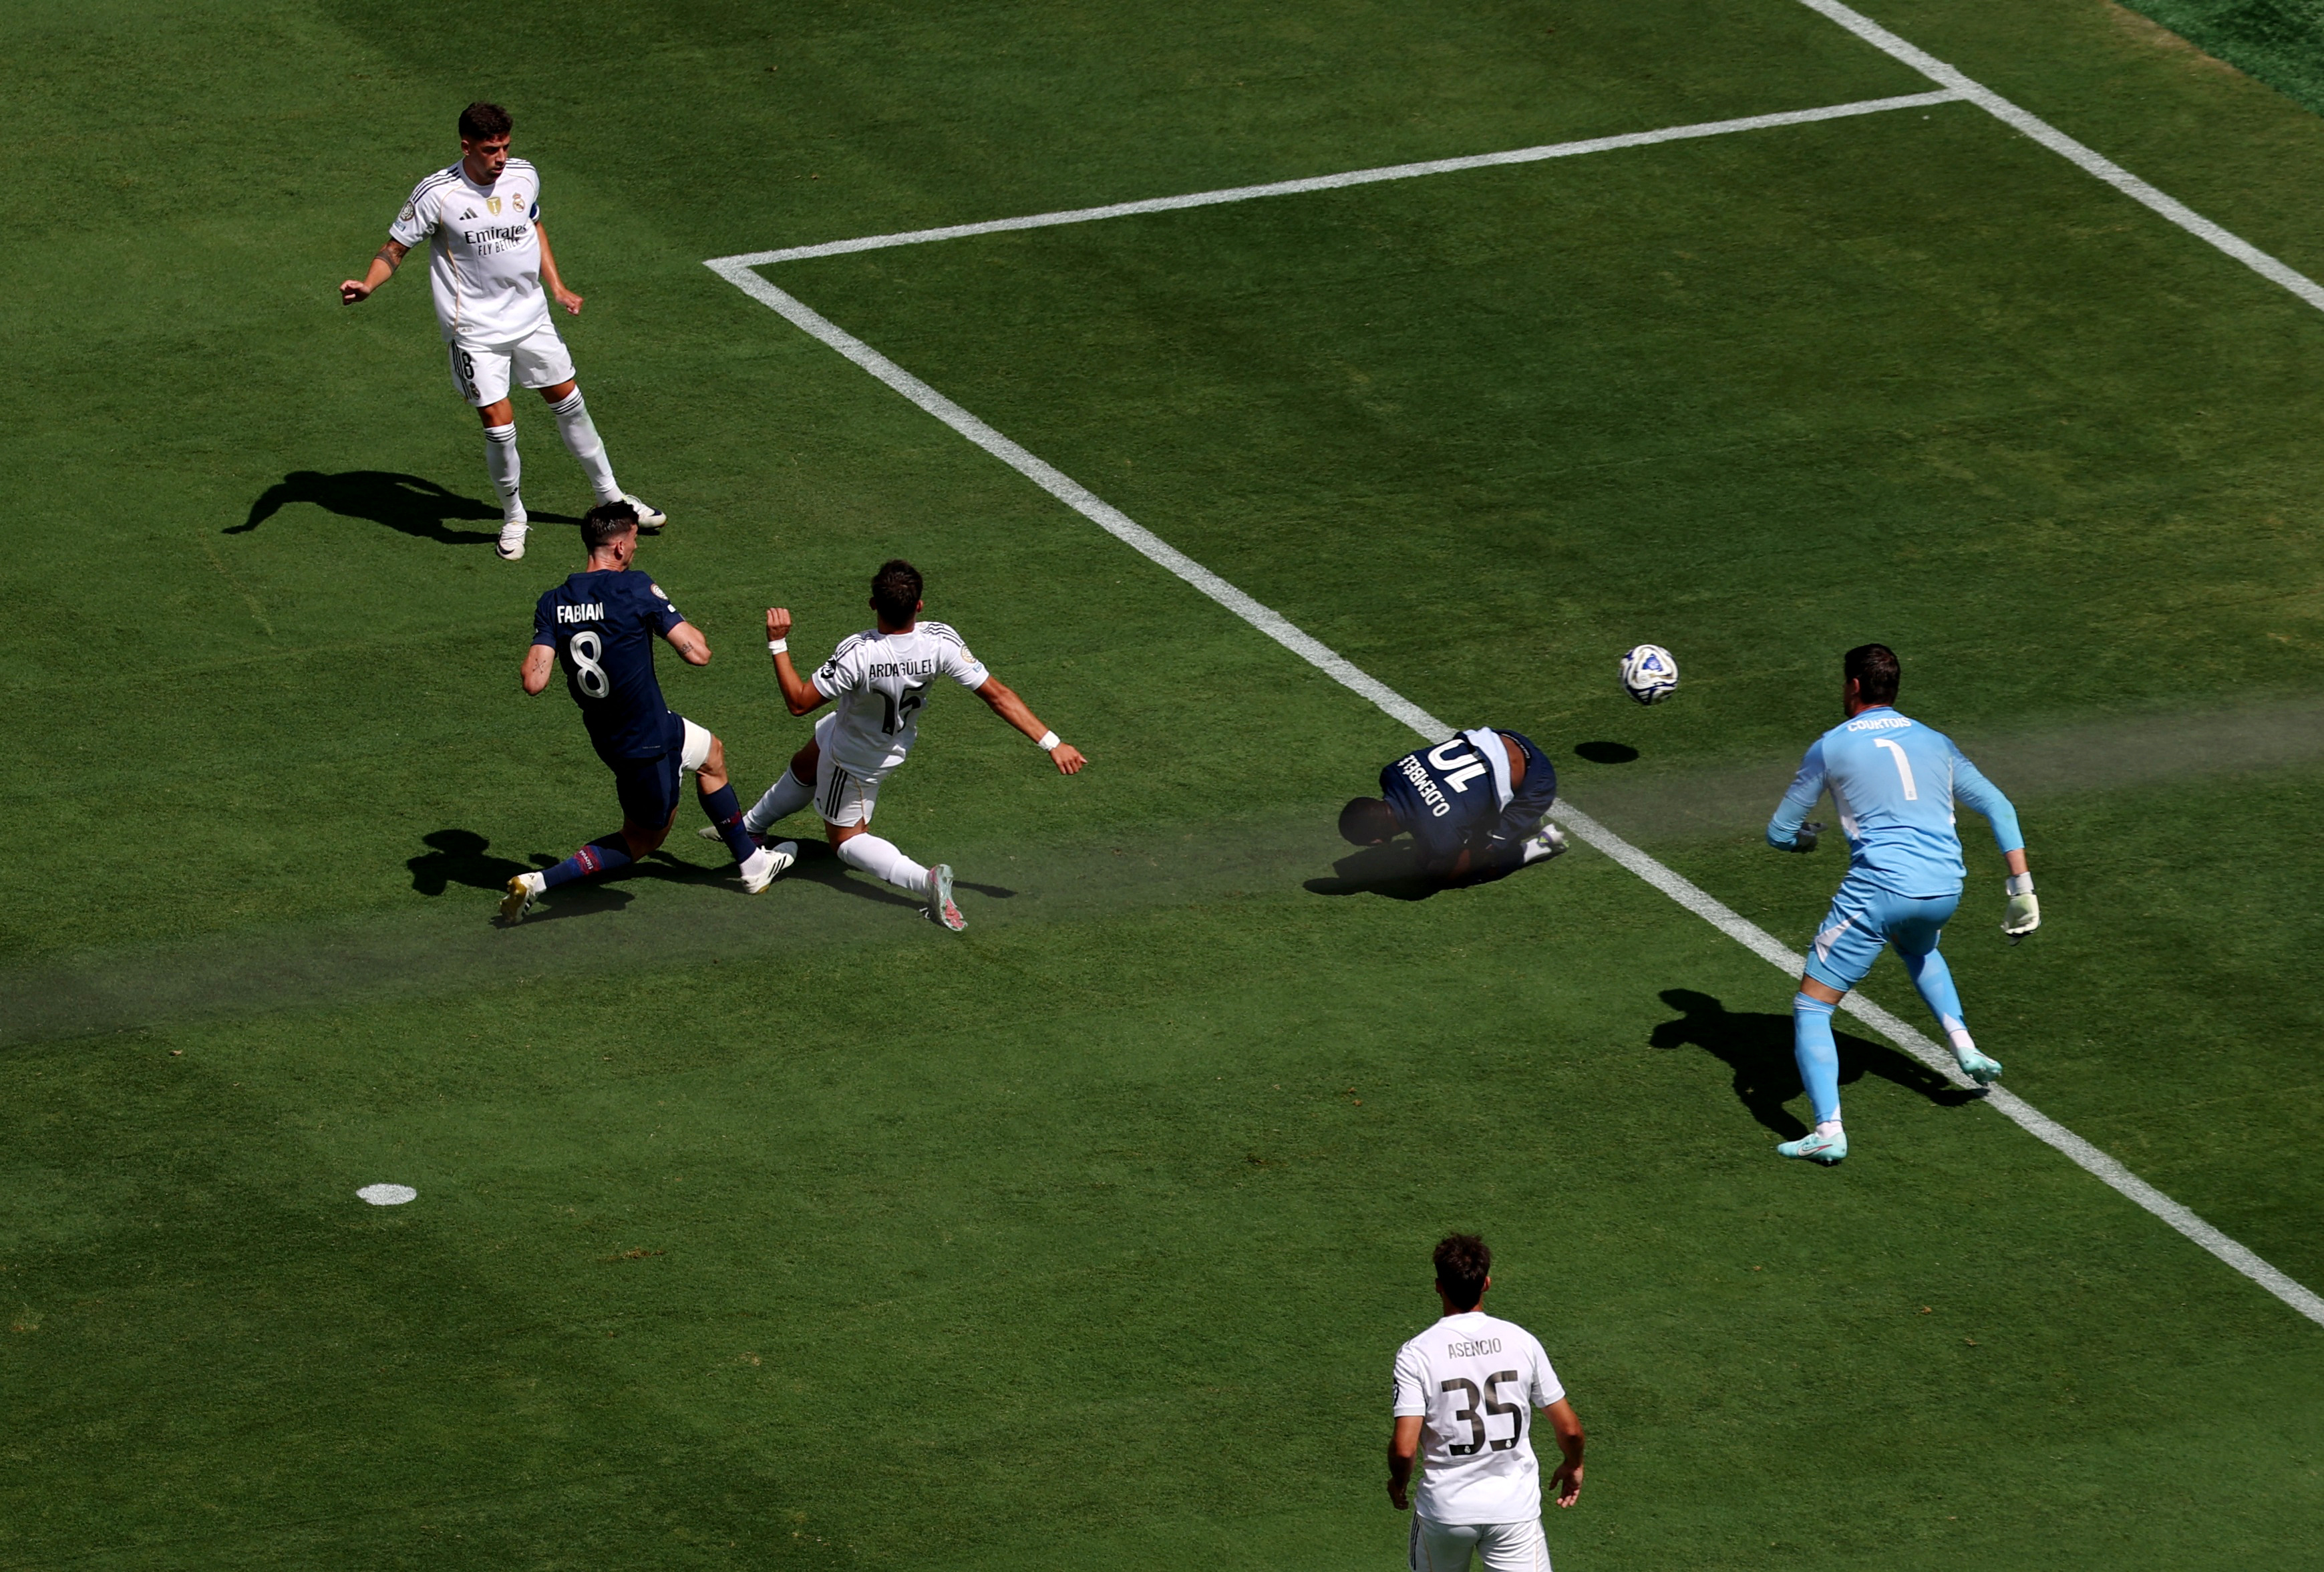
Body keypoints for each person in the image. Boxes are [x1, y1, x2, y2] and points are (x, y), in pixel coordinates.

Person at [339, 101, 663, 563]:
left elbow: (534, 226)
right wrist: (369, 284)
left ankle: (611, 497)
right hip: (474, 330)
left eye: (506, 147)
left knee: (570, 402)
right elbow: (395, 248)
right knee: (499, 427)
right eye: (491, 150)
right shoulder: (437, 194)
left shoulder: (524, 176)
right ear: (466, 146)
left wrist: (557, 287)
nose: (501, 158)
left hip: (531, 318)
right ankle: (514, 516)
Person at [1764, 643, 2039, 1164]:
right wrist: (2021, 889)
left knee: (1812, 1006)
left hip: (1880, 889)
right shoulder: (1936, 741)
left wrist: (1804, 840)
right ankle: (1963, 1045)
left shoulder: (1830, 746)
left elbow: (1779, 832)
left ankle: (1827, 1130)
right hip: (1944, 887)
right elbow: (1999, 805)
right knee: (1918, 947)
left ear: (1852, 686)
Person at [707, 559, 1086, 931]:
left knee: (846, 840)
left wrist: (778, 643)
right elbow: (998, 695)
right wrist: (1053, 743)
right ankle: (752, 827)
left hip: (853, 757)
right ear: (919, 605)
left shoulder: (859, 652)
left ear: (873, 604)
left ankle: (925, 882)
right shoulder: (940, 641)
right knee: (807, 760)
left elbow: (799, 702)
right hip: (880, 738)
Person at [500, 502, 789, 923]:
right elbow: (699, 654)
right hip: (647, 739)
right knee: (643, 839)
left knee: (712, 754)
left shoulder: (553, 602)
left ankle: (752, 863)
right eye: (634, 540)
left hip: (610, 734)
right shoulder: (634, 587)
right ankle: (539, 882)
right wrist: (661, 610)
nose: (636, 548)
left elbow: (534, 681)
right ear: (619, 547)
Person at [1389, 1235, 1585, 1572]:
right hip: (1513, 1511)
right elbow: (1570, 1430)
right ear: (1486, 1284)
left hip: (1446, 1512)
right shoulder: (1521, 1341)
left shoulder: (1416, 1354)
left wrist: (1398, 1483)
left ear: (1439, 1286)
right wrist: (1573, 1464)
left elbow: (1405, 1449)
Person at [1339, 729, 1566, 881]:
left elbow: (1444, 841)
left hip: (1536, 780)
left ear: (1378, 841)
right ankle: (1519, 820)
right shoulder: (1390, 773)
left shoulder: (1438, 838)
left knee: (1449, 871)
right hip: (1501, 738)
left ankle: (1543, 843)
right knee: (1465, 811)